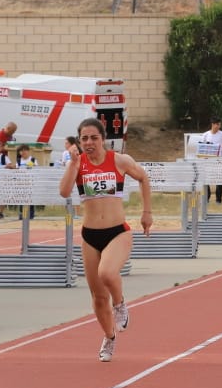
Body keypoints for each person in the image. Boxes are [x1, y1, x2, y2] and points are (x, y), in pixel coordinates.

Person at [58, 117, 154, 363]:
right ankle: (109, 337)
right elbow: (64, 192)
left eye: (94, 138)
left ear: (103, 139)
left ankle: (120, 304)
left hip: (117, 232)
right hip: (90, 236)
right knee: (99, 298)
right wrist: (72, 163)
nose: (89, 142)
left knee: (107, 273)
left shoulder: (119, 161)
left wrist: (147, 213)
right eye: (84, 139)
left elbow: (143, 178)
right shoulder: (78, 164)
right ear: (79, 141)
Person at [197, 116, 222, 205]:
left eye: (219, 124)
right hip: (208, 161)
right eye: (217, 124)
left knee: (219, 180)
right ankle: (207, 197)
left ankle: (218, 199)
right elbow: (200, 146)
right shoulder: (205, 135)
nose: (219, 126)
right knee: (206, 179)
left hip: (219, 161)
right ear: (213, 124)